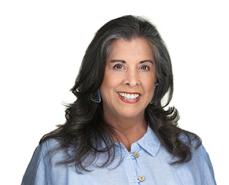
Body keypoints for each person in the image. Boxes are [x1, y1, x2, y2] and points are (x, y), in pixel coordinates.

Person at [21, 15, 216, 185]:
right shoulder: (54, 156)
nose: (132, 81)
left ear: (157, 79)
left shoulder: (191, 151)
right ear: (97, 75)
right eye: (118, 66)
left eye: (144, 67)